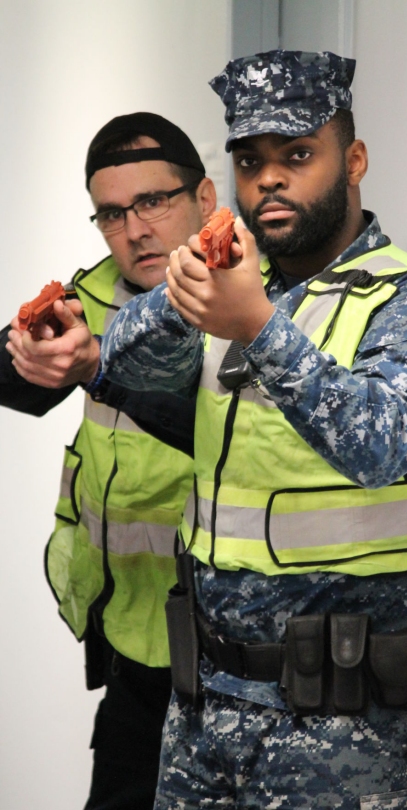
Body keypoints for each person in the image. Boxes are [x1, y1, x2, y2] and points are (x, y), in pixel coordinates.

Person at [100, 52, 407, 810]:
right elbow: (126, 368)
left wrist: (260, 327)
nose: (268, 180)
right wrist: (189, 293)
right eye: (251, 162)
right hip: (204, 711)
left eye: (298, 155)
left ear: (355, 160)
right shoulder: (232, 284)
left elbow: (388, 448)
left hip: (352, 735)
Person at [1, 112, 217, 810]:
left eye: (154, 202)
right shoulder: (89, 297)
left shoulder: (250, 301)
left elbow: (209, 423)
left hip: (235, 661)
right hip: (131, 644)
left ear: (204, 200)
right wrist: (25, 347)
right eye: (113, 213)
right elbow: (17, 384)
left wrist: (101, 367)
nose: (135, 229)